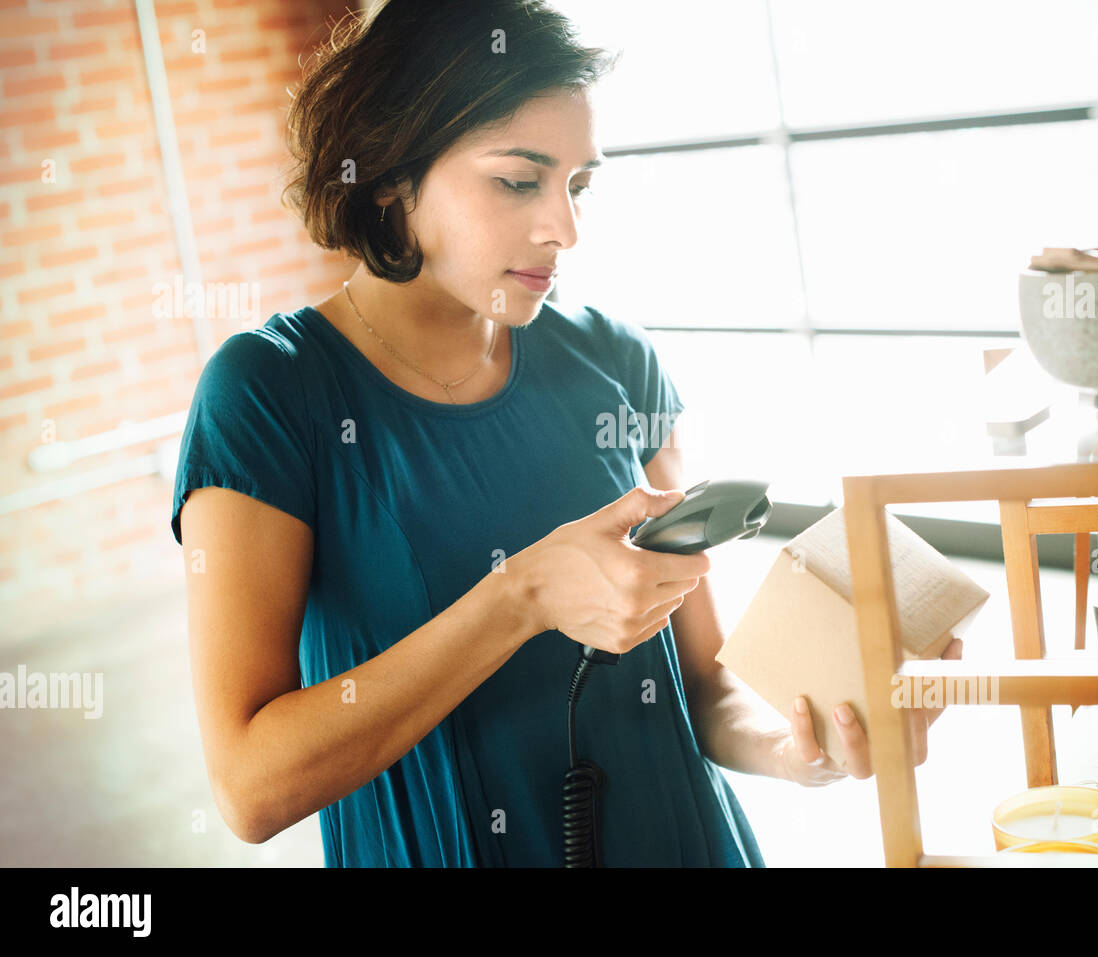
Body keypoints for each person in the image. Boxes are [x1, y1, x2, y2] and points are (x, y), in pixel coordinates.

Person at [170, 0, 951, 867]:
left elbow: (704, 685)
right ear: (392, 171)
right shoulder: (269, 392)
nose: (565, 229)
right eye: (518, 180)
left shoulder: (614, 356)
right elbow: (250, 787)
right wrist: (521, 598)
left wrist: (802, 750)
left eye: (578, 185)